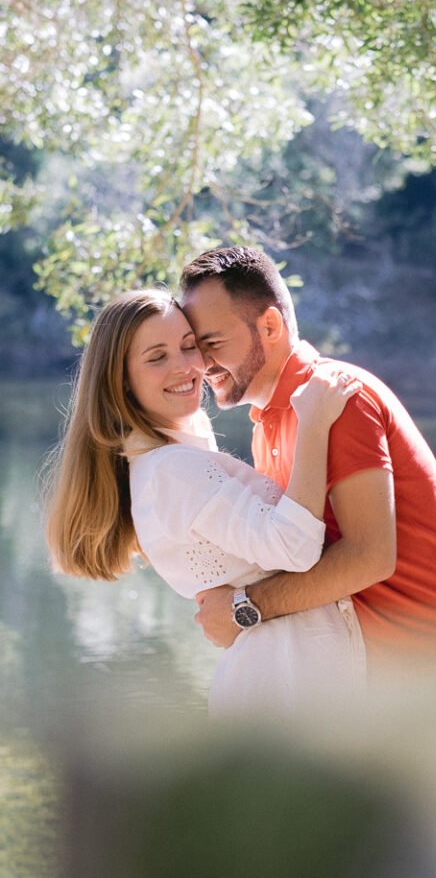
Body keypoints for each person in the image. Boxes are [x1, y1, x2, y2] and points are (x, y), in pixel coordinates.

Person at [182, 246, 436, 683]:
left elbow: (369, 558)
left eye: (212, 343)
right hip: (397, 686)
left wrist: (244, 608)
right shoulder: (266, 425)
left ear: (269, 325)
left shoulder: (341, 398)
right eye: (195, 348)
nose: (201, 363)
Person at [45, 289, 366, 714]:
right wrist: (314, 420)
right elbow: (297, 546)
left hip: (287, 682)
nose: (185, 367)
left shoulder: (166, 462)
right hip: (290, 691)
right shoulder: (173, 471)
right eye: (156, 357)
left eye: (189, 346)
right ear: (120, 379)